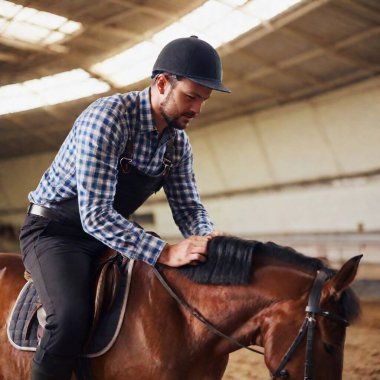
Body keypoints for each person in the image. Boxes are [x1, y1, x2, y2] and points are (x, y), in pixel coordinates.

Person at [19, 35, 230, 380]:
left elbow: (189, 208)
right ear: (162, 84)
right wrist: (164, 251)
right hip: (56, 233)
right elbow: (95, 214)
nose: (197, 109)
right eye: (191, 96)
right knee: (68, 319)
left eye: (203, 100)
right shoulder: (107, 119)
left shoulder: (177, 143)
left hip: (108, 236)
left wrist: (208, 239)